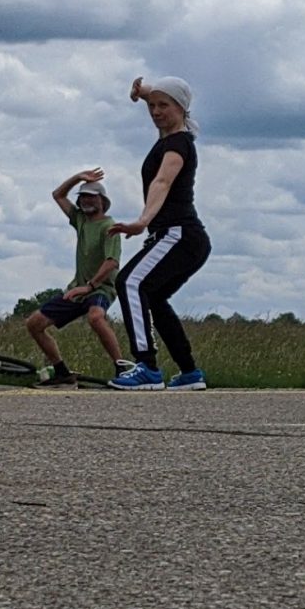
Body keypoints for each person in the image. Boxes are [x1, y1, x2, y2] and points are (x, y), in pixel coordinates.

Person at [107, 77, 213, 391]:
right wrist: (143, 93)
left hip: (178, 234)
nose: (155, 111)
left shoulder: (178, 144)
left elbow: (162, 182)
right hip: (182, 238)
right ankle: (189, 372)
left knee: (129, 282)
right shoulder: (170, 137)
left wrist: (143, 221)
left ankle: (147, 368)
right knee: (153, 296)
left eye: (163, 106)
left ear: (181, 108)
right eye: (152, 106)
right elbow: (164, 96)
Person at [24, 171, 124, 387]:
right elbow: (58, 195)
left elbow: (112, 262)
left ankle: (122, 369)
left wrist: (90, 286)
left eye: (92, 197)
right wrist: (78, 177)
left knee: (96, 317)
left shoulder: (110, 227)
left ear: (102, 201)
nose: (86, 201)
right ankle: (61, 372)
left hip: (101, 288)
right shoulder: (80, 220)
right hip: (78, 289)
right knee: (34, 324)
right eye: (83, 197)